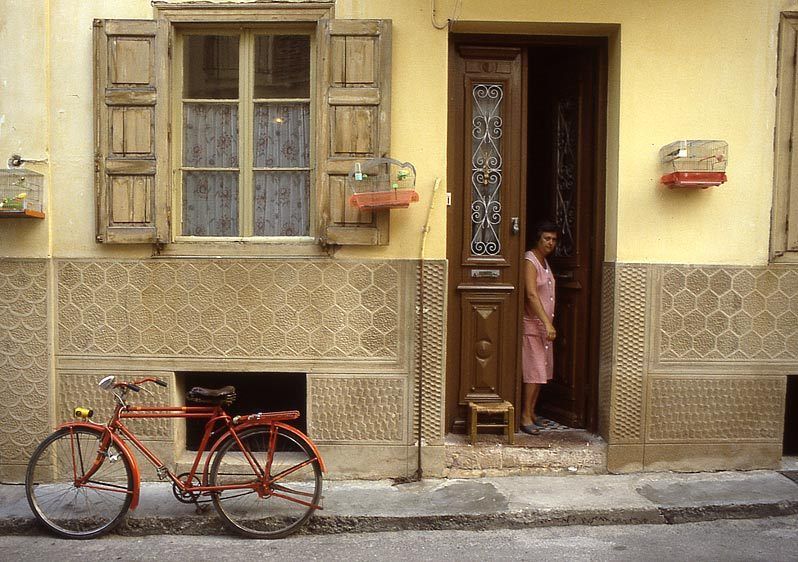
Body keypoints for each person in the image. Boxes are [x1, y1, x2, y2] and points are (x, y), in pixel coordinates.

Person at [520, 220, 559, 435]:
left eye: (553, 239)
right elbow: (531, 294)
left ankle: (532, 412)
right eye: (547, 238)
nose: (550, 243)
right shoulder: (530, 260)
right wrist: (546, 322)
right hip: (533, 325)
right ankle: (525, 416)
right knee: (534, 372)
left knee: (542, 371)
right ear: (538, 238)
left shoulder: (544, 261)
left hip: (544, 327)